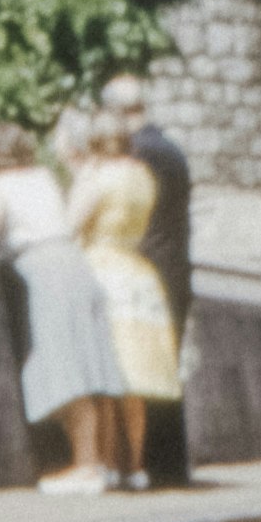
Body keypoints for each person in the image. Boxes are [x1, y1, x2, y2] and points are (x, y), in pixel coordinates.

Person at [0, 118, 133, 491]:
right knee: (90, 365)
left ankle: (86, 468)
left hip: (44, 270)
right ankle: (101, 464)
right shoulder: (44, 177)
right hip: (75, 264)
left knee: (66, 369)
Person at [68, 109, 182, 486]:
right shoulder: (142, 176)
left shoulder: (99, 178)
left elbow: (72, 225)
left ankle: (105, 462)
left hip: (102, 269)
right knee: (135, 380)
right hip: (137, 272)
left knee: (105, 372)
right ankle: (135, 466)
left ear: (94, 144)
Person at [97, 70, 197, 486]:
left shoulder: (137, 153)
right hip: (175, 268)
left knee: (138, 371)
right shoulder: (172, 150)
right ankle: (170, 465)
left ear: (115, 112)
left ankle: (146, 464)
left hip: (143, 269)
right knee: (163, 369)